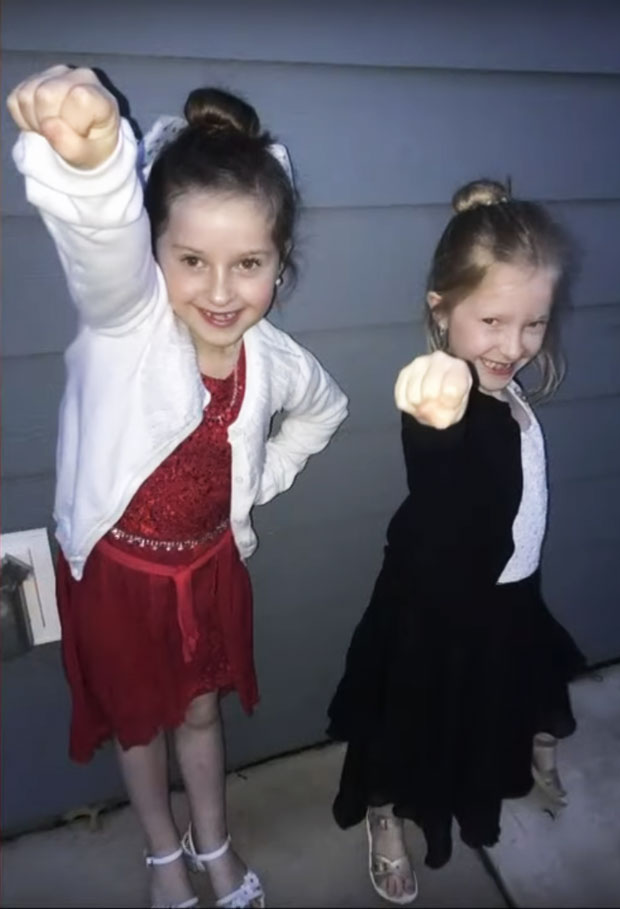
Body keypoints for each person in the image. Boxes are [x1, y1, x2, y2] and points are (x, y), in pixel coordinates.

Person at [8, 64, 348, 909]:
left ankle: (213, 838)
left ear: (279, 263)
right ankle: (163, 855)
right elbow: (99, 252)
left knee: (199, 715)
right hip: (120, 577)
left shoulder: (274, 360)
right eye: (191, 258)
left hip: (205, 571)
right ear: (153, 250)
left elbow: (323, 410)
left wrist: (259, 475)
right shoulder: (126, 324)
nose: (221, 290)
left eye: (249, 263)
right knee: (139, 724)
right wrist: (89, 172)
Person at [327, 179, 586, 904]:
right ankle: (385, 815)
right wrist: (433, 415)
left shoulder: (509, 386)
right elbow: (435, 454)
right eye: (494, 321)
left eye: (534, 323)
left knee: (511, 687)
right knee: (408, 722)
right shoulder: (449, 394)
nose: (515, 344)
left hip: (509, 591)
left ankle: (528, 738)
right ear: (441, 312)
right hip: (435, 611)